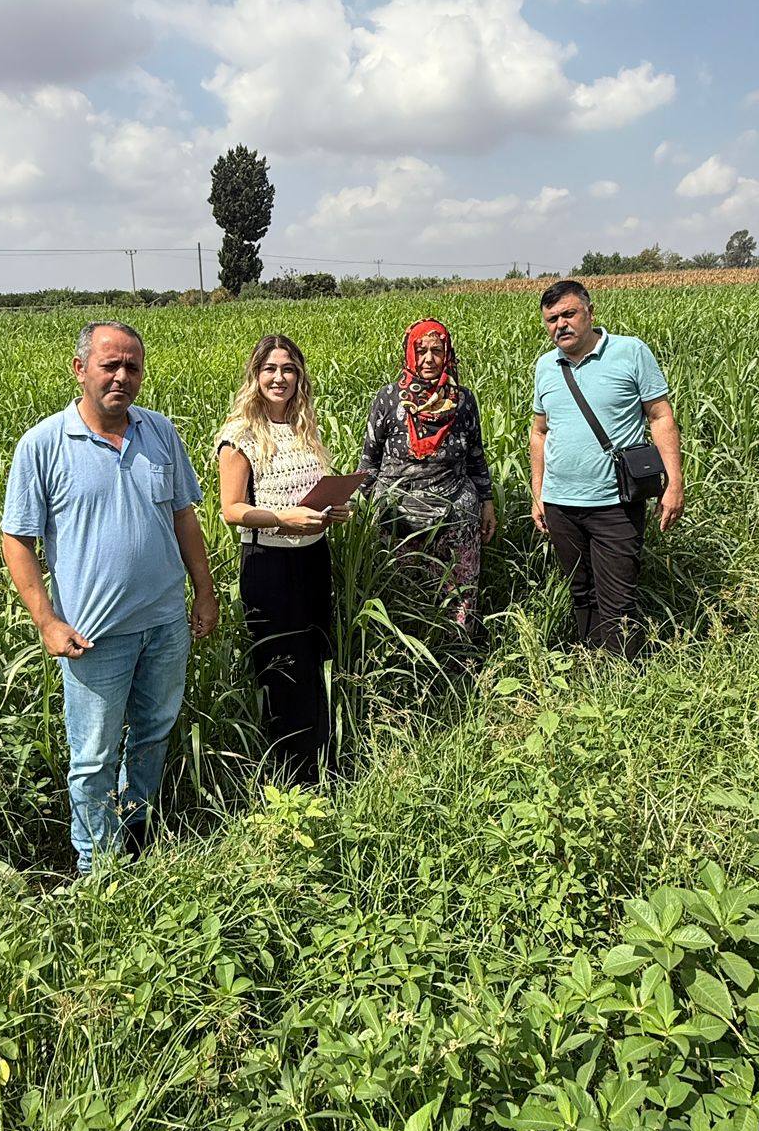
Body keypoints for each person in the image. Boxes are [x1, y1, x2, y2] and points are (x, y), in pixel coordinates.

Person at [1, 321, 217, 875]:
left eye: (132, 367)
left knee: (153, 732)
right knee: (93, 756)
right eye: (109, 365)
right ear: (81, 369)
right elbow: (17, 539)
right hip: (94, 637)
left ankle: (138, 831)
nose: (122, 376)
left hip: (166, 624)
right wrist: (46, 620)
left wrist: (204, 592)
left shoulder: (160, 433)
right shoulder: (44, 445)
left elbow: (184, 517)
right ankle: (97, 867)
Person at [529, 280, 683, 656]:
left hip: (615, 500)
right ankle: (591, 661)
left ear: (590, 312)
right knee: (580, 591)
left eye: (569, 314)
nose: (560, 325)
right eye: (552, 319)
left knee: (617, 597)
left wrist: (674, 482)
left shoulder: (631, 352)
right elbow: (539, 432)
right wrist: (539, 494)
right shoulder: (547, 366)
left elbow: (660, 416)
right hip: (561, 504)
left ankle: (622, 680)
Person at [216, 335, 341, 787]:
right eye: (270, 369)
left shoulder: (306, 427)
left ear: (299, 376)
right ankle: (290, 774)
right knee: (281, 667)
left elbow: (311, 492)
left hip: (314, 558)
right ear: (255, 375)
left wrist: (333, 510)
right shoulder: (239, 435)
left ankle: (322, 759)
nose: (279, 378)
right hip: (268, 564)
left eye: (288, 369)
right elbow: (231, 509)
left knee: (314, 657)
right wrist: (282, 519)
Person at [359, 318, 496, 636]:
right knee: (401, 590)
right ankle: (401, 654)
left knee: (457, 592)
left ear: (448, 353)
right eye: (420, 351)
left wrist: (487, 502)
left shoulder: (463, 401)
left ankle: (457, 650)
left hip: (455, 512)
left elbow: (476, 456)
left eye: (437, 350)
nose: (429, 359)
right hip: (397, 515)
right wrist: (359, 507)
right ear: (409, 354)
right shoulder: (389, 399)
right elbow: (369, 460)